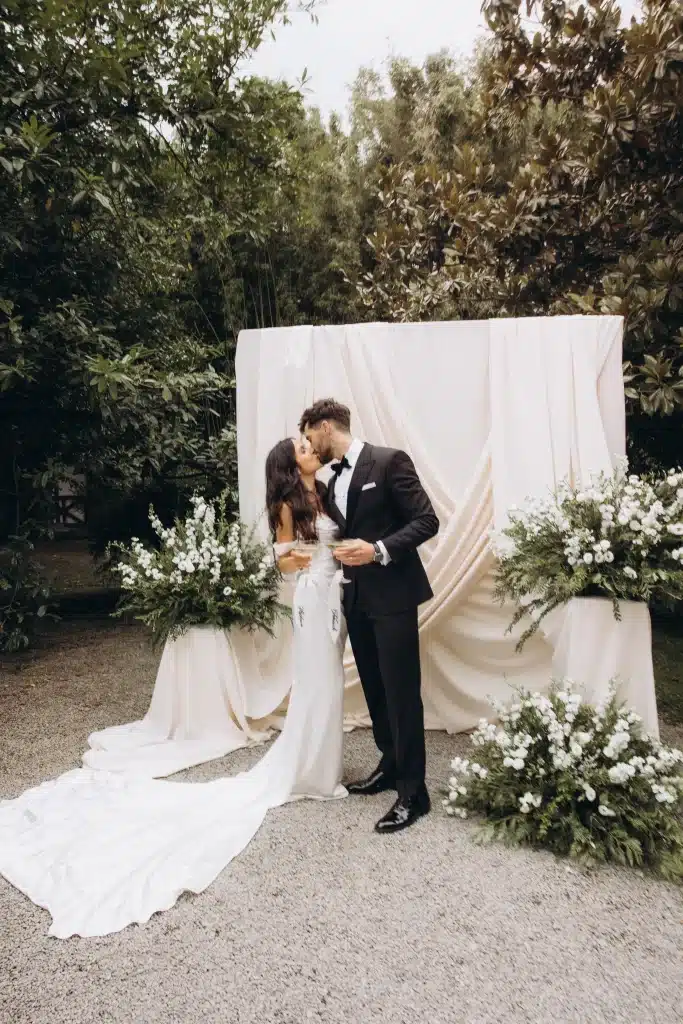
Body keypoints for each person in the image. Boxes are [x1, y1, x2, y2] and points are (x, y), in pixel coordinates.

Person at [0, 436, 346, 938]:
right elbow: (281, 560)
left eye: (309, 442)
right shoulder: (287, 504)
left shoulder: (328, 492)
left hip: (336, 596)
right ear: (289, 464)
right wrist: (317, 556)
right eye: (300, 446)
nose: (310, 447)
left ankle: (324, 764)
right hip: (313, 597)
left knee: (330, 681)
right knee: (316, 681)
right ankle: (308, 771)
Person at [300, 398, 439, 834]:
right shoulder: (328, 480)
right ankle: (391, 764)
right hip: (354, 598)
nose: (308, 445)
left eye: (309, 436)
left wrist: (377, 550)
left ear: (325, 427)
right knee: (376, 691)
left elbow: (426, 520)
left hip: (394, 595)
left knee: (401, 691)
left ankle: (414, 794)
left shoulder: (388, 461)